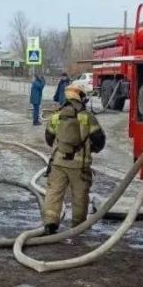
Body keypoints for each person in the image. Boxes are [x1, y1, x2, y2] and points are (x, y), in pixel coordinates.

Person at [42, 86, 106, 233]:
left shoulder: (56, 116)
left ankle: (50, 224)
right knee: (80, 195)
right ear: (80, 98)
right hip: (80, 166)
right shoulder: (87, 117)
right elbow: (99, 140)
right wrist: (90, 149)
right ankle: (78, 227)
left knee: (54, 192)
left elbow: (49, 138)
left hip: (59, 163)